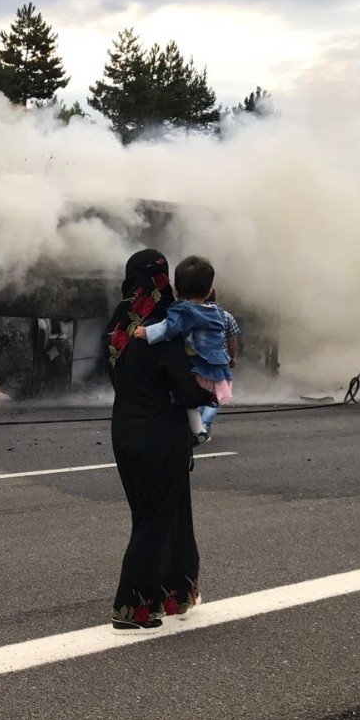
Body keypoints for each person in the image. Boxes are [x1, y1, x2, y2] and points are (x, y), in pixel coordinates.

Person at [102, 249, 213, 631]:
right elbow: (185, 388)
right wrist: (209, 393)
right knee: (158, 520)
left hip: (124, 432)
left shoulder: (117, 329)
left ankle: (174, 593)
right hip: (161, 436)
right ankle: (131, 606)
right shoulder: (166, 328)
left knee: (159, 515)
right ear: (164, 280)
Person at [133, 255, 233, 444]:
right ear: (209, 290)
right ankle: (199, 428)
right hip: (217, 371)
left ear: (176, 290)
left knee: (179, 396)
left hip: (200, 369)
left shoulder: (184, 311)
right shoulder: (216, 311)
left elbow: (169, 328)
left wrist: (146, 332)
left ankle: (198, 430)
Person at [198, 289, 241, 435]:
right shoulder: (226, 316)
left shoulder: (193, 314)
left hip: (197, 361)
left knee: (198, 394)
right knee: (216, 396)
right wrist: (232, 357)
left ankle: (198, 427)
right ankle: (203, 426)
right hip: (219, 362)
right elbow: (232, 338)